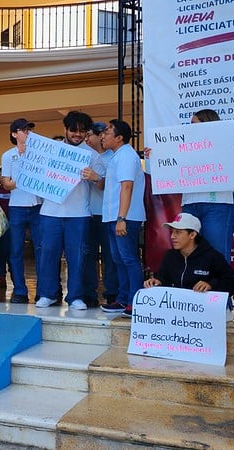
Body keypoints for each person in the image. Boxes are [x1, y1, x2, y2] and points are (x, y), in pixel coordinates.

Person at [144, 108, 234, 315]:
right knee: (188, 251)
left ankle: (222, 307)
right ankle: (192, 303)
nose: (191, 127)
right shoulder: (184, 145)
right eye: (191, 124)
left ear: (209, 123)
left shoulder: (229, 141)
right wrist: (156, 156)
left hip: (219, 204)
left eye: (195, 123)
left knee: (218, 254)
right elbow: (169, 166)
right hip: (191, 204)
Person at [36, 114, 106, 310]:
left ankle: (76, 296)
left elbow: (102, 185)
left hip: (78, 214)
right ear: (65, 129)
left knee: (77, 257)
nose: (78, 134)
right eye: (74, 130)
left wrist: (95, 177)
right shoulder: (51, 151)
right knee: (48, 255)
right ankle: (47, 294)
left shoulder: (92, 155)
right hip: (50, 211)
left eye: (82, 131)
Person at [144, 212, 234, 322]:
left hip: (208, 317)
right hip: (179, 316)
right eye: (172, 232)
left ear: (192, 235)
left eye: (178, 232)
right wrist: (156, 282)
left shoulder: (212, 256)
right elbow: (164, 279)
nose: (172, 236)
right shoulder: (170, 256)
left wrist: (211, 285)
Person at [99, 120, 146, 316]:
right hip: (114, 217)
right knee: (119, 259)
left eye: (107, 131)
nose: (103, 135)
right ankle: (123, 299)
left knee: (129, 259)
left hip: (125, 218)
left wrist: (121, 218)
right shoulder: (117, 156)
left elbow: (127, 187)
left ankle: (135, 301)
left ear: (119, 138)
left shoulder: (126, 156)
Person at [0, 118, 43, 304]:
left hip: (38, 205)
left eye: (29, 130)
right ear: (14, 134)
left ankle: (44, 290)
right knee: (16, 250)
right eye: (24, 130)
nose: (28, 133)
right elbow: (7, 183)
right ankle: (19, 290)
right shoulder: (8, 156)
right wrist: (22, 181)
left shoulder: (40, 153)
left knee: (42, 248)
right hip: (17, 206)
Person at [83, 121, 119, 307]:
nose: (87, 139)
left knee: (110, 256)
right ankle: (89, 293)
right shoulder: (84, 156)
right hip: (88, 213)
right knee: (88, 255)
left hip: (108, 214)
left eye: (90, 135)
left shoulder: (114, 157)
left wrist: (97, 177)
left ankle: (112, 292)